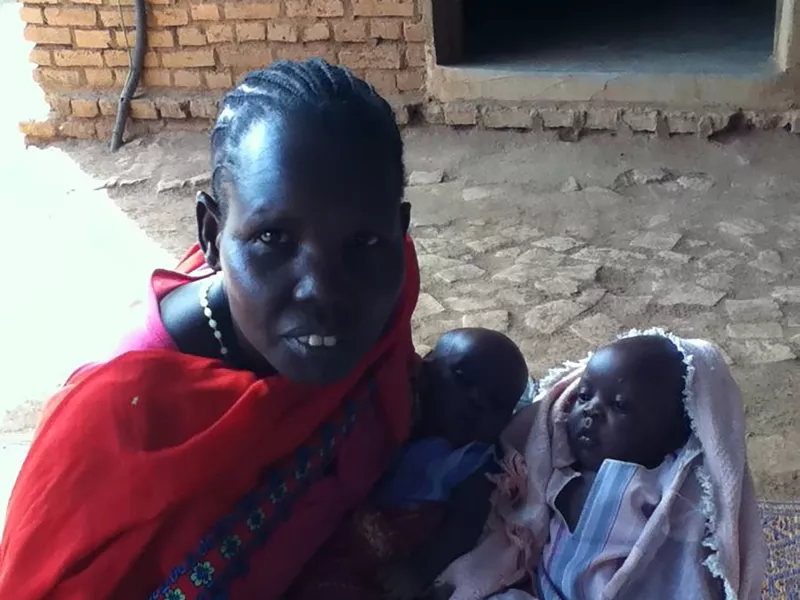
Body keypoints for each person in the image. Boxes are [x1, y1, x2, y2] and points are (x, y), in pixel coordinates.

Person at [0, 59, 422, 600]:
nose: (323, 291)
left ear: (398, 231)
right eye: (273, 239)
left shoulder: (391, 278)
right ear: (211, 233)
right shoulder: (117, 427)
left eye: (363, 242)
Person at [435, 329, 767, 600]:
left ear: (672, 433)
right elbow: (523, 526)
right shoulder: (559, 466)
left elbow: (683, 574)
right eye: (584, 395)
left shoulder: (670, 495)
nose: (590, 411)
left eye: (619, 406)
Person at [288, 328, 533, 600]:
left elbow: (462, 527)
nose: (476, 400)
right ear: (425, 366)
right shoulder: (387, 410)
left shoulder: (472, 460)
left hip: (387, 570)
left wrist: (420, 568)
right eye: (463, 378)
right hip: (328, 542)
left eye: (496, 402)